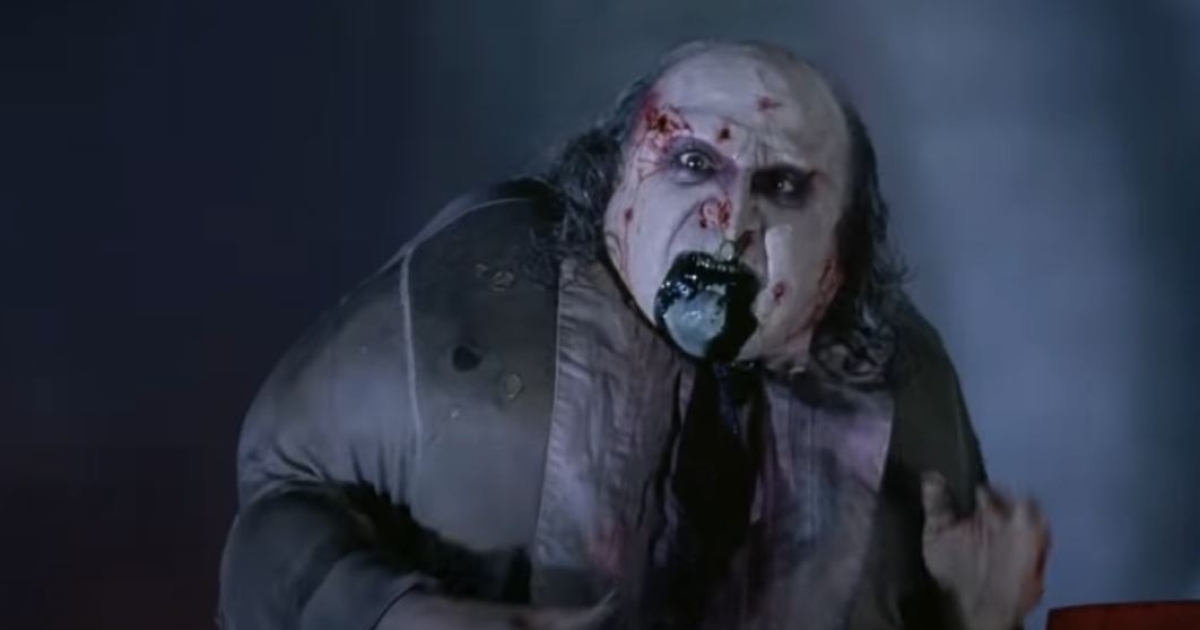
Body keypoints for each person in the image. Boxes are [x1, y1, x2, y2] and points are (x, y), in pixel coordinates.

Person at [217, 40, 1050, 630]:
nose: (729, 223)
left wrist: (977, 618)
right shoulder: (476, 297)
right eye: (692, 163)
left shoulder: (902, 385)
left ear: (839, 261)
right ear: (612, 187)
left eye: (783, 187)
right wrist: (392, 615)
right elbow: (279, 499)